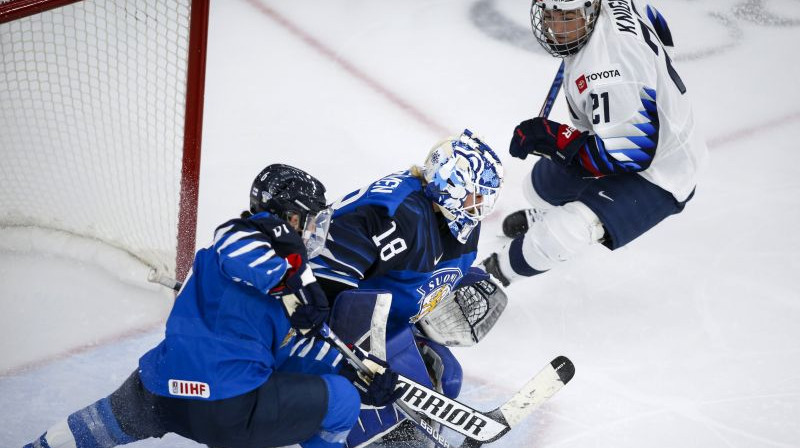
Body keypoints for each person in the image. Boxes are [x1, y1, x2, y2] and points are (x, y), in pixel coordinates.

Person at [23, 164, 400, 448]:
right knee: (343, 403)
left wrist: (354, 368)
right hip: (229, 407)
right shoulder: (245, 241)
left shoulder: (259, 270)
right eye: (309, 220)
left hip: (164, 388)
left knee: (103, 422)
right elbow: (236, 242)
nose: (315, 232)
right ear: (289, 218)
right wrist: (293, 279)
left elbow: (294, 347)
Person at [292, 129, 505, 446]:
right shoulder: (393, 214)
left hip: (380, 323)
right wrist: (357, 365)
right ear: (451, 183)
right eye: (476, 195)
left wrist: (453, 286)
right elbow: (321, 292)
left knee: (448, 377)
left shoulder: (457, 226)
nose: (481, 206)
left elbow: (413, 281)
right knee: (369, 417)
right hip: (320, 328)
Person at [481, 0, 709, 286]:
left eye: (566, 17)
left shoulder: (609, 71)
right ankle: (547, 215)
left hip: (663, 171)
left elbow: (629, 157)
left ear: (589, 11)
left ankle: (492, 277)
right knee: (538, 187)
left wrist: (555, 138)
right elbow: (657, 23)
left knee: (562, 232)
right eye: (549, 15)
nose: (554, 27)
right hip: (624, 135)